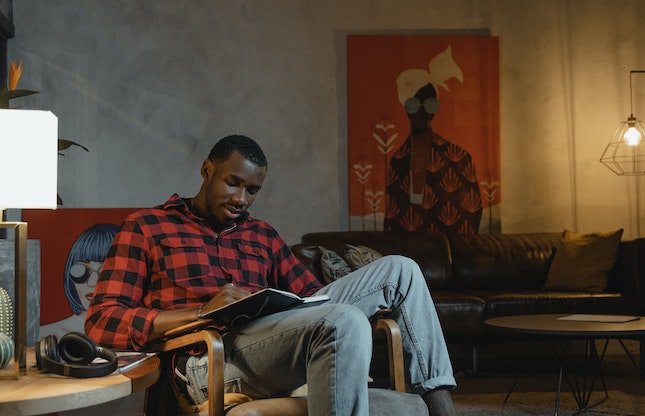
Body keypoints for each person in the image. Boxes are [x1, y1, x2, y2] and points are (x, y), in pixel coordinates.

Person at [85, 134, 457, 416]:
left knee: (401, 269)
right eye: (233, 183)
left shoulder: (262, 234)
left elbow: (318, 300)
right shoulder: (147, 227)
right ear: (206, 170)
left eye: (253, 191)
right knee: (341, 320)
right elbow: (102, 321)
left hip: (276, 348)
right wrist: (200, 313)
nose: (241, 200)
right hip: (209, 360)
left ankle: (441, 404)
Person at [385, 57, 482, 234]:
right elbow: (392, 220)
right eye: (414, 104)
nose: (422, 111)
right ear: (406, 107)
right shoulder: (398, 161)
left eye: (430, 104)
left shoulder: (459, 158)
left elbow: (472, 216)